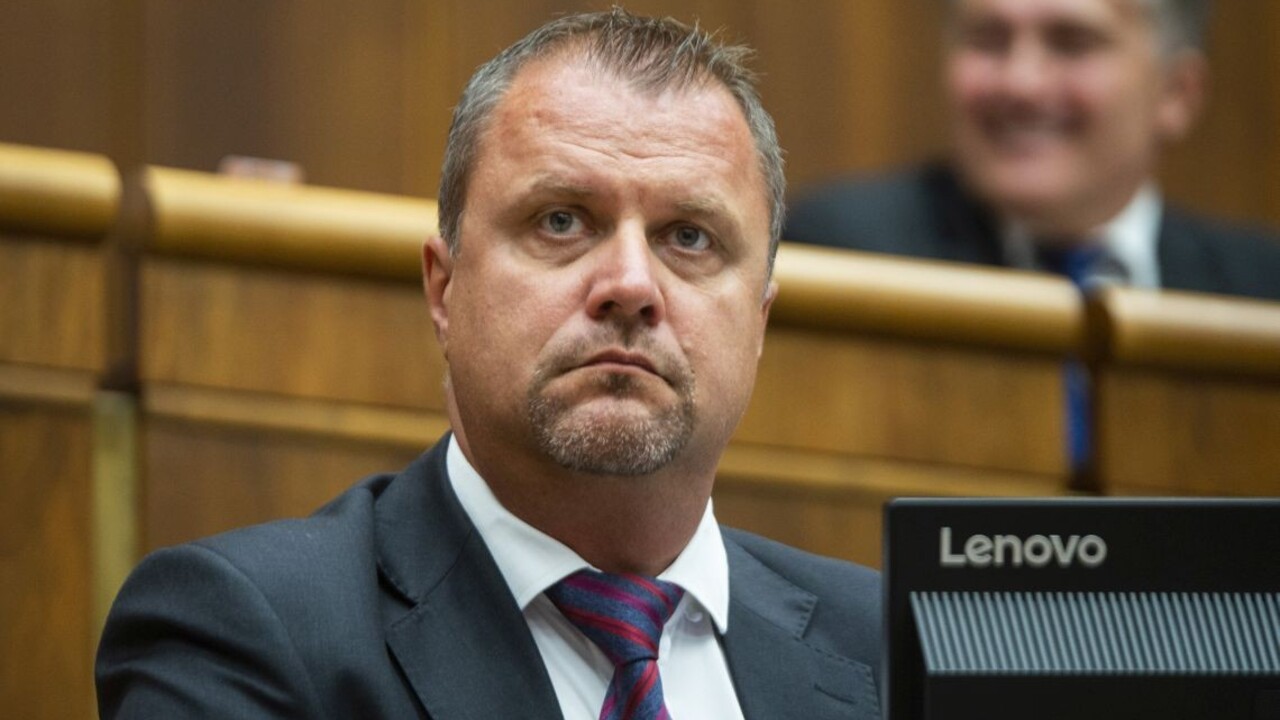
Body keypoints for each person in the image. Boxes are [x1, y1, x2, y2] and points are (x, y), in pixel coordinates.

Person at [96, 9, 882, 719]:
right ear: (445, 289)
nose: (631, 285)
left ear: (759, 321)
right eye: (562, 221)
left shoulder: (890, 649)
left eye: (689, 237)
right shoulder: (243, 633)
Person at [786, 0, 1280, 301]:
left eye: (1072, 42)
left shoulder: (1260, 291)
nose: (1021, 83)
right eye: (989, 39)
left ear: (1176, 92)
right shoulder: (845, 254)